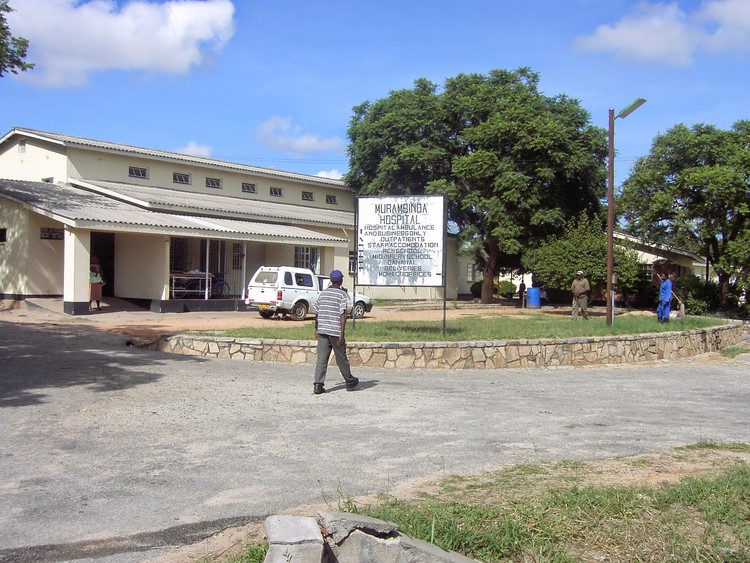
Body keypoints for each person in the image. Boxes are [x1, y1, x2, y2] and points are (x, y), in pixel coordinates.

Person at [312, 269, 359, 395]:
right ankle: (350, 381)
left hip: (322, 330)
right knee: (341, 358)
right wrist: (342, 334)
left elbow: (316, 312)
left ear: (331, 280)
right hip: (335, 332)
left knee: (321, 359)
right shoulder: (342, 295)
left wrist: (316, 328)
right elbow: (342, 315)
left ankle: (318, 384)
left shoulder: (323, 294)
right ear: (341, 280)